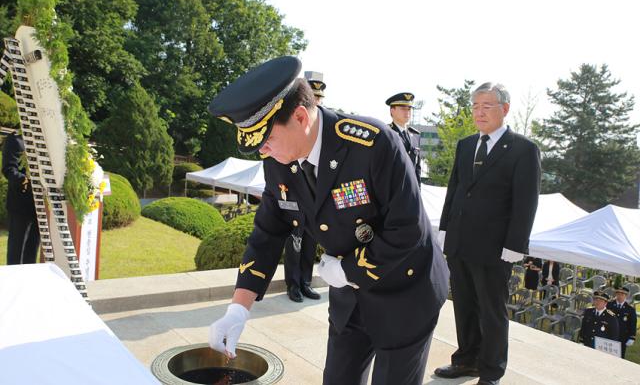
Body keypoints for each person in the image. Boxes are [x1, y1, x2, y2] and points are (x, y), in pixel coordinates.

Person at [207, 56, 449, 385]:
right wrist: (238, 308)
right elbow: (268, 230)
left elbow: (407, 232)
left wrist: (347, 269)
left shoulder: (372, 144)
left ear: (301, 116)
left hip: (404, 292)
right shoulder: (280, 159)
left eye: (267, 139)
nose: (264, 150)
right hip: (350, 299)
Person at [435, 82, 541, 385]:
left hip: (495, 248)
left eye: (487, 106)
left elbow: (526, 202)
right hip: (459, 241)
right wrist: (445, 229)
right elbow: (455, 188)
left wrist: (515, 245)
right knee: (465, 307)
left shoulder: (523, 149)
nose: (479, 112)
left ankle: (491, 371)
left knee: (491, 312)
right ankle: (467, 360)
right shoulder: (466, 144)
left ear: (504, 109)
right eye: (475, 106)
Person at [283, 76, 325, 303]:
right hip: (293, 196)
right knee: (294, 243)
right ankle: (293, 284)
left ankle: (306, 282)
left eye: (319, 98)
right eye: (314, 97)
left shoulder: (323, 130)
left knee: (310, 242)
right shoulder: (292, 123)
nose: (317, 102)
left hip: (314, 200)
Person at [2, 132, 40, 264]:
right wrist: (26, 181)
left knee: (32, 252)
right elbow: (9, 169)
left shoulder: (43, 138)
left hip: (39, 207)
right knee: (16, 253)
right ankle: (13, 283)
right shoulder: (15, 139)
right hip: (20, 206)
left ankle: (28, 282)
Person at [386, 93, 421, 185]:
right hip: (391, 190)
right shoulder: (386, 133)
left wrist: (417, 193)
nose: (407, 112)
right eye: (403, 109)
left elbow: (417, 169)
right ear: (392, 111)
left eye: (409, 109)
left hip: (410, 191)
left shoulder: (415, 136)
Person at [607, 286, 636, 358]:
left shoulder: (630, 309)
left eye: (622, 294)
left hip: (622, 337)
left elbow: (632, 324)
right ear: (616, 294)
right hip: (608, 334)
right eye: (618, 294)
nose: (620, 296)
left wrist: (632, 337)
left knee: (620, 356)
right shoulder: (609, 305)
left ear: (626, 296)